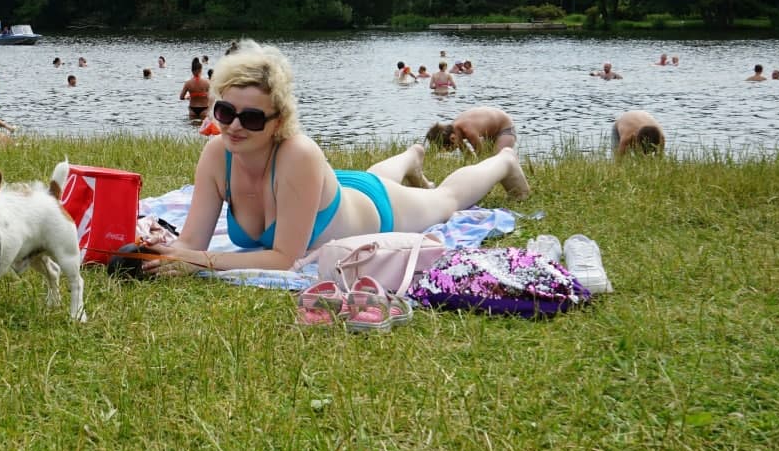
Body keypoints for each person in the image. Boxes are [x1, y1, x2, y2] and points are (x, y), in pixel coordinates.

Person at [141, 40, 531, 276]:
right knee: (372, 175)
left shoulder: (298, 154)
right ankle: (411, 158)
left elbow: (284, 259)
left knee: (446, 200)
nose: (235, 126)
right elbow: (191, 243)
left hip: (376, 208)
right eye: (225, 112)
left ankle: (504, 162)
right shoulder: (217, 153)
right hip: (332, 193)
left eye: (253, 117)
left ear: (279, 122)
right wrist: (163, 251)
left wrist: (199, 262)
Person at [426, 107, 518, 155]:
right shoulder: (456, 131)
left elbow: (482, 157)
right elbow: (468, 157)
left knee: (496, 161)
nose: (450, 152)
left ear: (452, 138)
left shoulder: (468, 130)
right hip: (489, 133)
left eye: (449, 149)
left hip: (505, 129)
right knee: (489, 160)